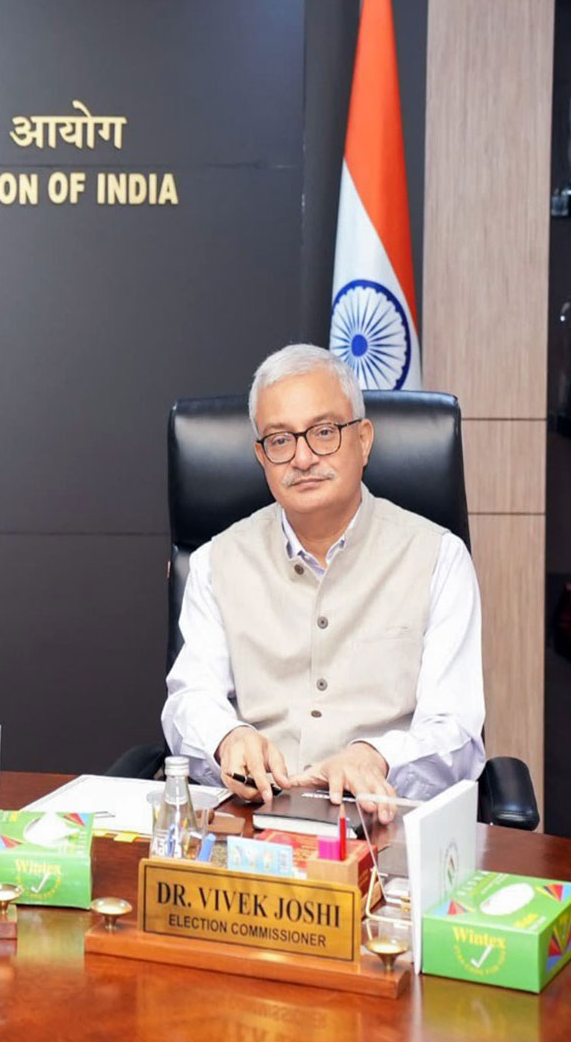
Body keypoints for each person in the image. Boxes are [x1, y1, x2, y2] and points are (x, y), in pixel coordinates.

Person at [162, 343, 485, 807]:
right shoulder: (215, 562)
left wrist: (375, 757)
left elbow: (456, 731)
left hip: (382, 825)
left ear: (364, 439)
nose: (303, 457)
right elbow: (190, 698)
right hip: (252, 823)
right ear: (261, 456)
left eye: (324, 432)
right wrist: (226, 738)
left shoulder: (439, 558)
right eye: (280, 439)